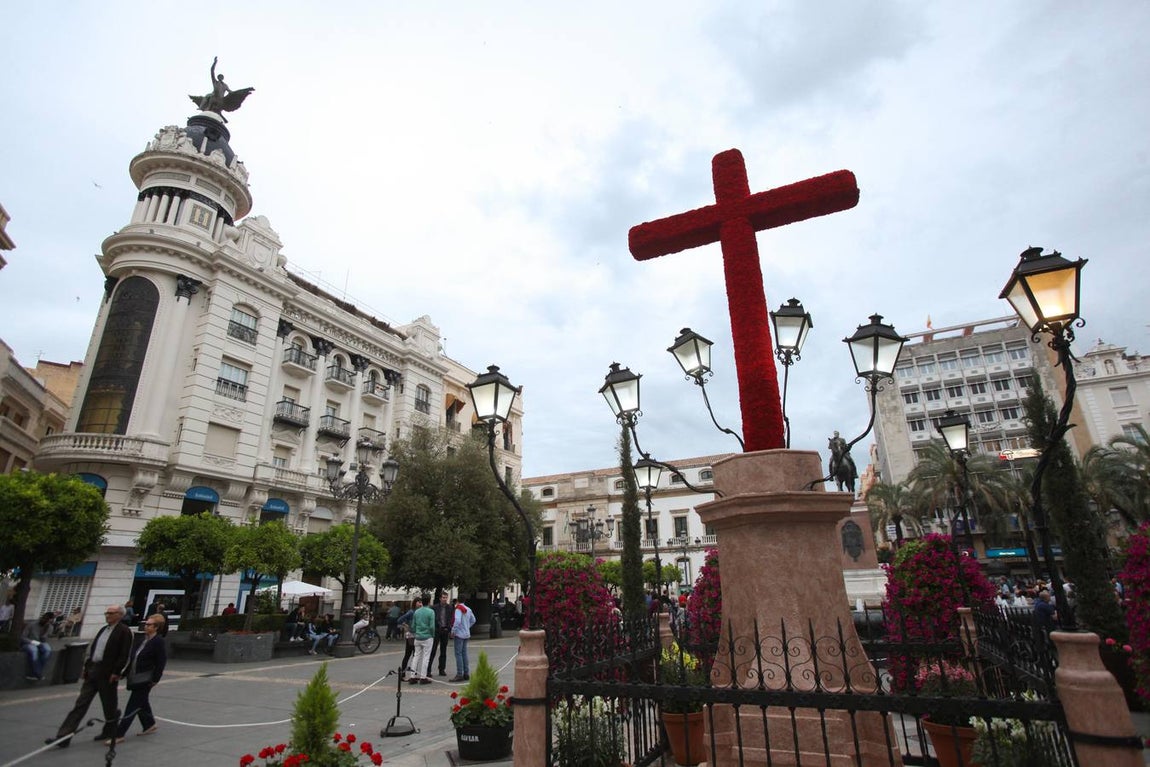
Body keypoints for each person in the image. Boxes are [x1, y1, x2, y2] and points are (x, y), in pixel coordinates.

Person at [47, 604, 133, 748]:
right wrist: (87, 667)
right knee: (80, 704)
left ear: (120, 615)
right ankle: (64, 736)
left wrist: (117, 672)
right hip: (94, 671)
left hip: (108, 674)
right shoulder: (103, 630)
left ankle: (110, 730)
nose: (108, 615)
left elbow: (125, 654)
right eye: (107, 613)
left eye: (111, 613)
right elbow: (95, 650)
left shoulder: (124, 632)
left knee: (109, 706)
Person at [113, 613, 167, 743]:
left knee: (132, 705)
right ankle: (149, 724)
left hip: (145, 679)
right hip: (135, 676)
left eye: (148, 624)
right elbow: (133, 659)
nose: (145, 626)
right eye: (146, 624)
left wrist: (155, 679)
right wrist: (124, 673)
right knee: (142, 703)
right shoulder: (142, 640)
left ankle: (119, 734)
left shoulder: (158, 642)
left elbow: (161, 662)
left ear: (156, 627)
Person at [408, 595, 436, 685]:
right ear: (429, 601)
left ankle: (412, 676)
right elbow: (432, 626)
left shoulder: (416, 612)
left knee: (416, 656)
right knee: (426, 657)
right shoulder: (431, 612)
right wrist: (432, 634)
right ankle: (423, 677)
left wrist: (416, 632)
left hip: (418, 637)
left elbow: (413, 626)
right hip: (427, 637)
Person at [449, 600, 476, 682]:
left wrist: (453, 631)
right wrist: (467, 626)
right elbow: (473, 620)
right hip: (466, 633)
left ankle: (459, 673)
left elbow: (457, 620)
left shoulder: (458, 609)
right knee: (464, 653)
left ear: (457, 601)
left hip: (459, 634)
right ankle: (466, 673)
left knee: (458, 654)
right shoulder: (468, 609)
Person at [21, 612, 54, 681]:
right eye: (44, 619)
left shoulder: (49, 627)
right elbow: (23, 637)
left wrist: (45, 631)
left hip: (41, 643)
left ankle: (36, 671)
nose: (44, 621)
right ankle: (36, 673)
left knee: (48, 650)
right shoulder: (32, 624)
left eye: (47, 620)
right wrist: (34, 642)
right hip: (29, 642)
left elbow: (44, 639)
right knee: (34, 650)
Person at [429, 593, 452, 677]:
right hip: (437, 630)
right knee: (433, 650)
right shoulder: (434, 607)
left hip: (445, 630)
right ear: (440, 598)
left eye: (446, 598)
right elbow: (433, 619)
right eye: (443, 597)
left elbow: (450, 618)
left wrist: (448, 628)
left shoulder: (449, 607)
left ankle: (442, 669)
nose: (445, 599)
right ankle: (428, 669)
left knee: (443, 650)